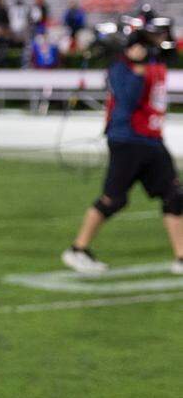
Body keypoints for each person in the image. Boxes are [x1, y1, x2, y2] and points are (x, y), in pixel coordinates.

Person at [63, 28, 183, 274]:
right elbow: (127, 100)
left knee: (174, 195)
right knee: (113, 198)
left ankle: (181, 257)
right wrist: (137, 68)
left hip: (152, 140)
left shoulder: (155, 62)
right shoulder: (120, 68)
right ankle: (78, 249)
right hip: (128, 139)